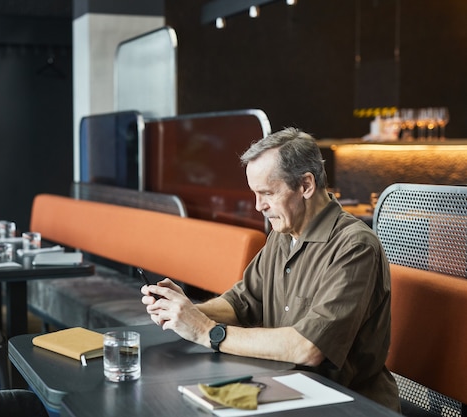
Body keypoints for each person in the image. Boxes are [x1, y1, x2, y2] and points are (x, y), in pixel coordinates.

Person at [141, 127, 400, 412]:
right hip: (286, 388)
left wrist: (206, 331)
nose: (258, 206)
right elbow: (242, 301)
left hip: (348, 403)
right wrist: (186, 311)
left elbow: (308, 347)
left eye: (267, 193)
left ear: (305, 186)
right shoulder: (283, 233)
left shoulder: (355, 247)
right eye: (255, 193)